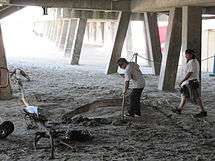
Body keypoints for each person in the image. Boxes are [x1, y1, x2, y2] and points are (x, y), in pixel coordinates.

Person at [173, 49, 207, 118]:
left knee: (197, 97)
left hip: (192, 82)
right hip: (188, 82)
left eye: (187, 54)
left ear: (191, 55)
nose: (186, 56)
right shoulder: (192, 61)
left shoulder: (192, 62)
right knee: (184, 95)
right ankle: (179, 109)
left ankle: (203, 111)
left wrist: (182, 81)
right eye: (185, 54)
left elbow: (190, 73)